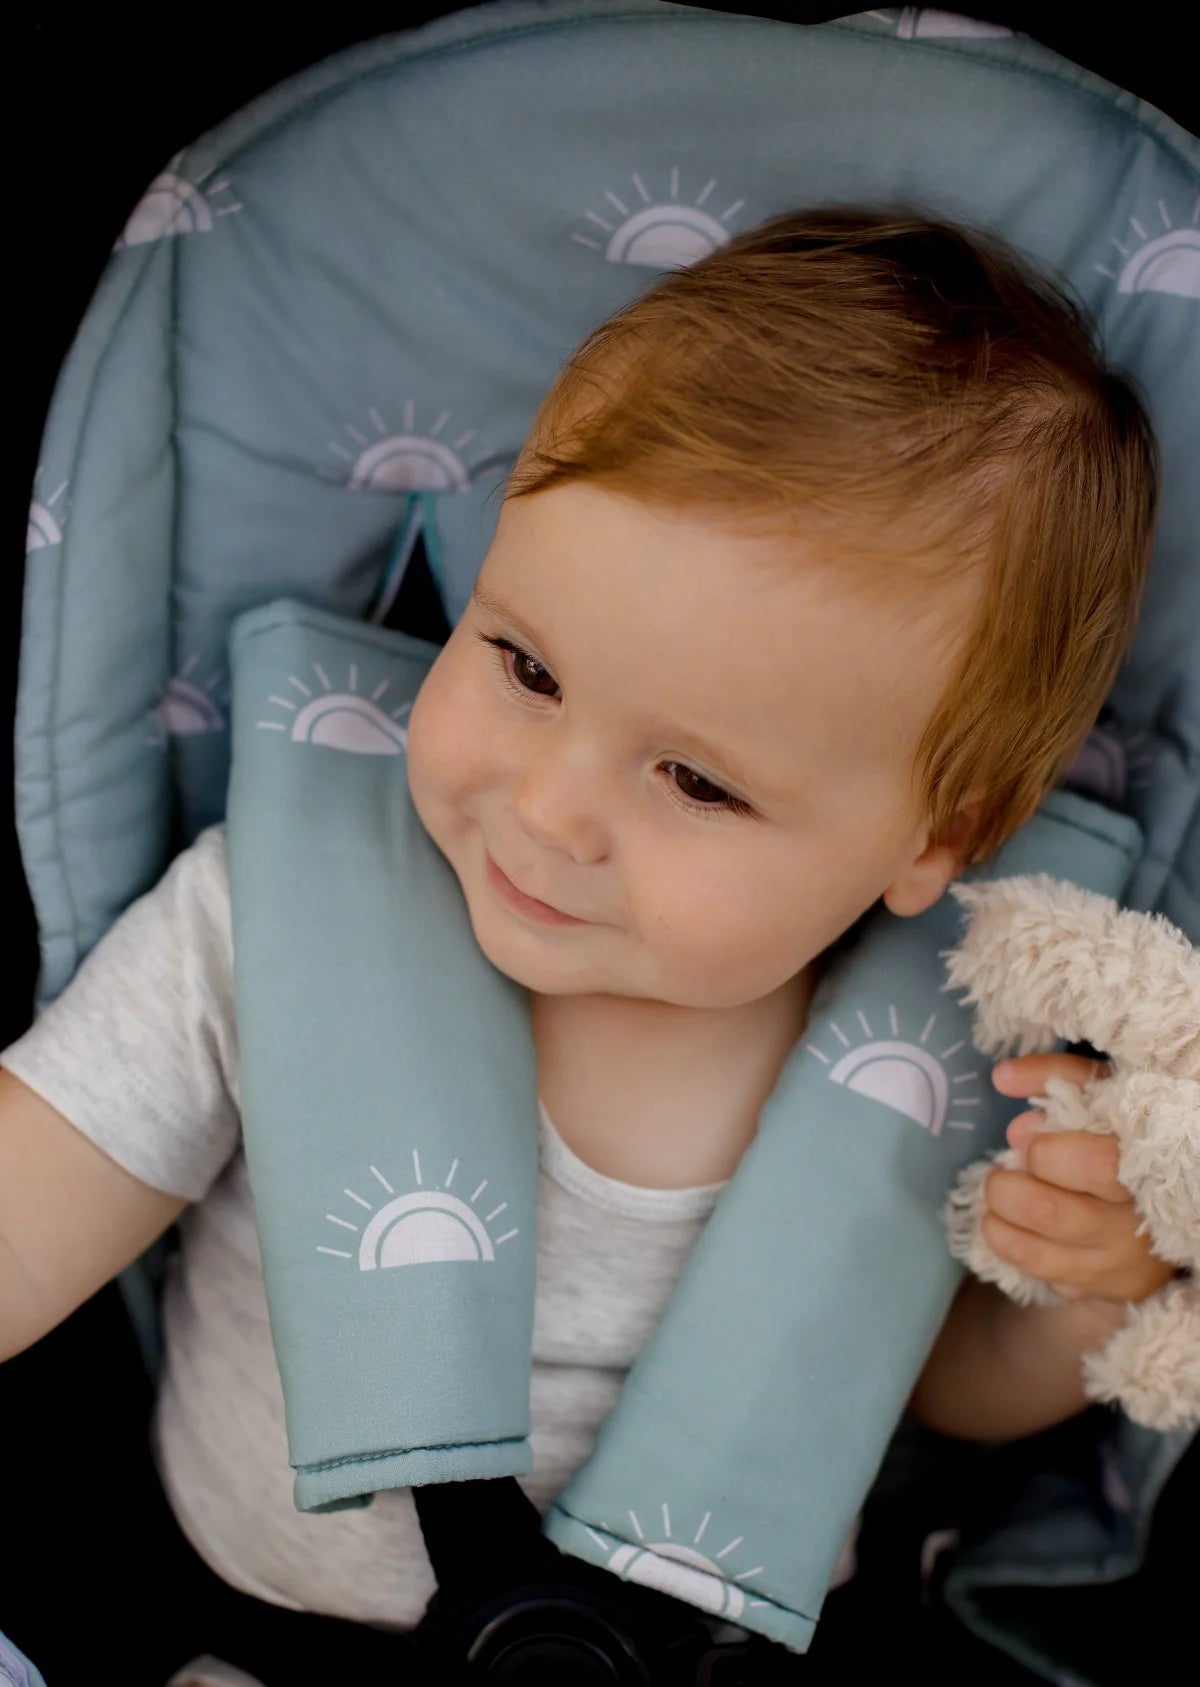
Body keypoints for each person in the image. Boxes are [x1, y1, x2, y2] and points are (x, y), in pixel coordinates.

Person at [0, 211, 1174, 1678]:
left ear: (938, 837)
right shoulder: (282, 927)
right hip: (272, 1648)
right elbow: (23, 1215)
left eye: (696, 781)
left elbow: (929, 1387)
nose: (548, 811)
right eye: (526, 665)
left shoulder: (931, 1063)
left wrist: (1084, 1296)